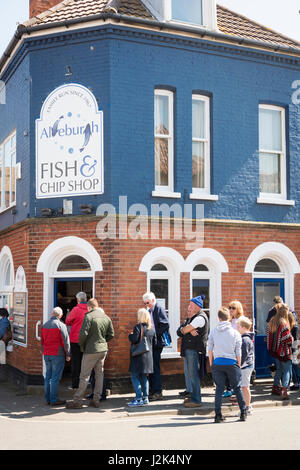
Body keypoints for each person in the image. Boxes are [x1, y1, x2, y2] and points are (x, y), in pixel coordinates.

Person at [66, 298, 114, 409]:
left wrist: (82, 345)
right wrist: (103, 341)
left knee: (84, 376)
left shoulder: (88, 316)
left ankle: (77, 401)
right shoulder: (106, 317)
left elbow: (83, 334)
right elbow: (111, 334)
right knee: (99, 375)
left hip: (91, 350)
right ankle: (96, 400)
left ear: (89, 307)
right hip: (103, 350)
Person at [207, 307, 247, 423]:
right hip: (232, 363)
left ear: (219, 318)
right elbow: (238, 351)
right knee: (237, 388)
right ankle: (243, 413)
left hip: (218, 363)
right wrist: (238, 363)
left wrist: (211, 363)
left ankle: (218, 415)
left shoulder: (213, 332)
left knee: (219, 390)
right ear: (229, 318)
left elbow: (209, 349)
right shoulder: (235, 333)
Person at [177, 296, 208, 408]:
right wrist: (187, 330)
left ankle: (196, 400)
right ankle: (193, 397)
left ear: (196, 306)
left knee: (193, 374)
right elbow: (182, 330)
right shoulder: (194, 318)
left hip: (194, 350)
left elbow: (184, 330)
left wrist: (186, 330)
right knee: (191, 374)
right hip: (190, 349)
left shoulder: (199, 318)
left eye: (191, 305)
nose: (189, 307)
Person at [142, 292, 170, 401]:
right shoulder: (151, 310)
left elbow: (165, 324)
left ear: (153, 300)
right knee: (151, 366)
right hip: (152, 341)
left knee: (155, 366)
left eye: (148, 303)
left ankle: (157, 391)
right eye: (145, 303)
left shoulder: (159, 308)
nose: (146, 305)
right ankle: (153, 390)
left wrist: (154, 333)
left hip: (157, 342)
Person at [41, 307, 71, 406]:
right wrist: (68, 354)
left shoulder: (44, 325)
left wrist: (43, 352)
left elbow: (42, 341)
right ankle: (54, 400)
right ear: (60, 315)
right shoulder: (61, 325)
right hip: (57, 354)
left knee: (48, 376)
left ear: (51, 314)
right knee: (54, 378)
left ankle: (47, 399)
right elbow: (65, 342)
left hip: (47, 354)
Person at [128, 308, 155, 407]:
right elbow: (153, 343)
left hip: (138, 356)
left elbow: (134, 339)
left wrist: (130, 335)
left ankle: (138, 398)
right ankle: (145, 398)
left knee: (134, 376)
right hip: (148, 357)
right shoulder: (151, 328)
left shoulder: (138, 327)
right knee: (144, 377)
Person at [267, 304, 293, 399]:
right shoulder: (283, 323)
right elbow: (286, 339)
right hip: (284, 351)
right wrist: (292, 338)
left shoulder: (272, 321)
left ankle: (275, 387)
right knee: (287, 370)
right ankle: (284, 389)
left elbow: (269, 336)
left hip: (275, 351)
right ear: (285, 312)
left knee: (279, 369)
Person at [65, 292, 88, 390]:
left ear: (78, 300)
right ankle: (85, 384)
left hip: (75, 340)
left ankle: (75, 384)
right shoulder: (90, 309)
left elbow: (67, 321)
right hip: (87, 340)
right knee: (86, 362)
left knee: (75, 362)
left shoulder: (76, 309)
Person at [237, 316, 254, 415]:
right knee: (244, 387)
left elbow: (243, 355)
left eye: (238, 326)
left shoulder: (245, 340)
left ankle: (248, 407)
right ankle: (246, 406)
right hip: (247, 366)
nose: (237, 328)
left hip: (245, 366)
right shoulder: (246, 338)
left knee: (244, 387)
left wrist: (238, 365)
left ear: (243, 328)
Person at [288, 311, 300, 390]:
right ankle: (296, 383)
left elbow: (295, 340)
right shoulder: (293, 327)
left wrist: (293, 351)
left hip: (294, 350)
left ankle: (297, 384)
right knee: (294, 367)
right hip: (294, 349)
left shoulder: (295, 327)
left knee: (295, 367)